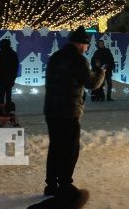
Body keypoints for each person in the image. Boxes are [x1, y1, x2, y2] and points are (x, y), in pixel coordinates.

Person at [43, 26, 105, 203]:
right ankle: (65, 184)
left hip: (52, 109)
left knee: (55, 147)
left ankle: (51, 185)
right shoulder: (79, 60)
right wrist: (101, 72)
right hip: (69, 110)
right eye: (86, 45)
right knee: (69, 149)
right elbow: (91, 84)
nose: (86, 49)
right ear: (81, 44)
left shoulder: (56, 57)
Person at [0, 38, 19, 113]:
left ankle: (1, 110)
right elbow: (16, 67)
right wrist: (14, 77)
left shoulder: (1, 54)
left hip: (2, 78)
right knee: (8, 94)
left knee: (1, 94)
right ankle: (8, 109)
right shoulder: (13, 54)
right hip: (10, 77)